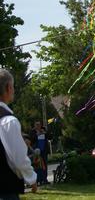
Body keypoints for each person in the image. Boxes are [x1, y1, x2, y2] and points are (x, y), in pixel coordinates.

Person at [0, 69, 37, 199]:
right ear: (8, 87)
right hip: (5, 189)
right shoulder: (8, 121)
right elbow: (18, 159)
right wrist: (31, 178)